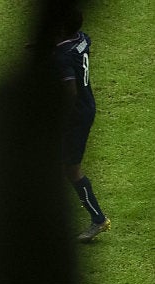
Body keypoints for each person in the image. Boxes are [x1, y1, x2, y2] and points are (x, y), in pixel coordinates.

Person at [52, 8, 110, 242]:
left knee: (71, 169)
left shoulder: (63, 56)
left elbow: (70, 92)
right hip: (87, 106)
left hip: (75, 116)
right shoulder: (81, 38)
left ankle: (98, 219)